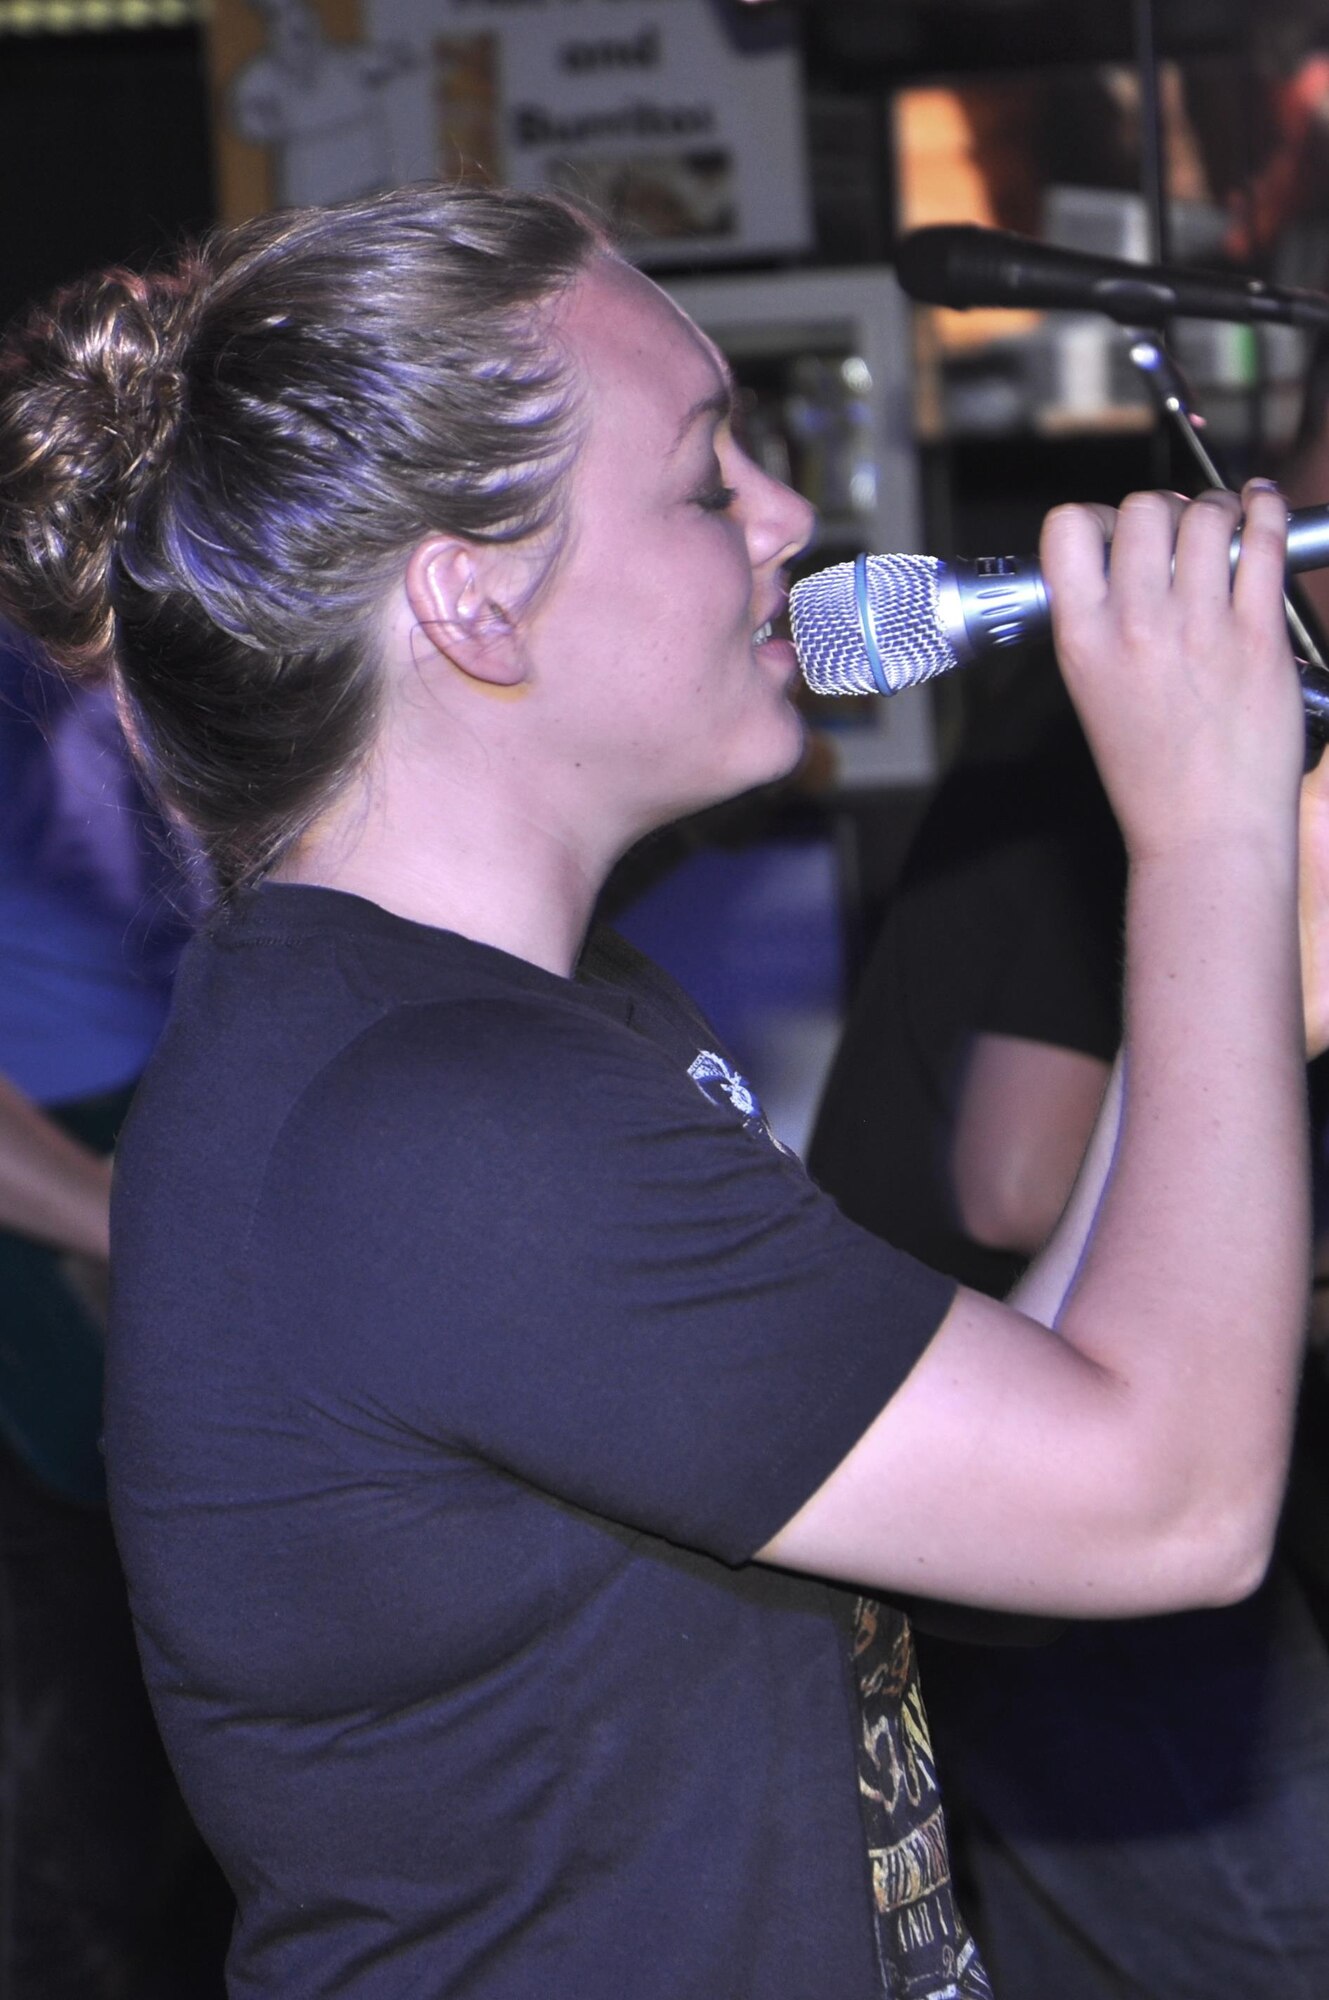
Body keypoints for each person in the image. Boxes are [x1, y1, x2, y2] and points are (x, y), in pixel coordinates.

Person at [0, 181, 1322, 2000]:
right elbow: (1169, 1506)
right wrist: (1203, 839)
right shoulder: (431, 1118)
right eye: (709, 480)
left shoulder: (524, 1032)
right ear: (473, 604)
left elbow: (1029, 1485)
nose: (788, 518)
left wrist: (1244, 975)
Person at [809, 663, 1329, 1998]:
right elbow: (1013, 1176)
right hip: (1017, 1467)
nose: (774, 521)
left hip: (994, 1476)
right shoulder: (1146, 716)